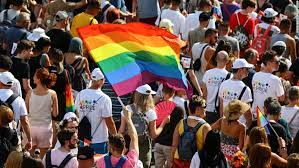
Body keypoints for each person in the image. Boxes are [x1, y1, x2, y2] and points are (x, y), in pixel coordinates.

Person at [118, 84, 169, 168]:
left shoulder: (127, 109)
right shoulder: (151, 112)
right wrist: (164, 123)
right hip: (143, 147)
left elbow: (122, 131)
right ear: (149, 97)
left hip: (128, 144)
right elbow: (153, 135)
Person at [75, 68, 117, 154]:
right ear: (102, 80)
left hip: (83, 137)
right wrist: (116, 139)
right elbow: (109, 122)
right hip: (99, 140)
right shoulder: (105, 98)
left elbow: (76, 114)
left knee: (84, 163)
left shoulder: (80, 94)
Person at [25, 68, 58, 158]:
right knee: (43, 159)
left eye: (34, 76)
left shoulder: (29, 93)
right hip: (45, 129)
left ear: (38, 79)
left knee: (29, 159)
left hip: (31, 129)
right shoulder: (53, 94)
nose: (33, 77)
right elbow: (55, 114)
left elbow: (26, 111)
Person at [171, 95, 211, 168]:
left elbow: (174, 145)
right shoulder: (206, 127)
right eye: (204, 106)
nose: (205, 109)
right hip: (196, 163)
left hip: (178, 160)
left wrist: (171, 161)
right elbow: (209, 149)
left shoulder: (181, 123)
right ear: (198, 109)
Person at [96, 103, 139, 168]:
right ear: (124, 147)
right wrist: (128, 118)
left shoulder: (101, 162)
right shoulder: (131, 161)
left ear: (110, 149)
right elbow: (134, 138)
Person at [0, 72, 32, 151]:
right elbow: (25, 121)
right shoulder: (19, 100)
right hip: (13, 138)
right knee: (14, 162)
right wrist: (29, 139)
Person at [154, 85, 184, 168]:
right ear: (174, 92)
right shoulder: (179, 109)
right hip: (171, 145)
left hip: (158, 142)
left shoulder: (156, 106)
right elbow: (179, 129)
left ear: (163, 92)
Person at [218, 59, 253, 125]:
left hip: (226, 124)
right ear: (240, 70)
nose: (248, 71)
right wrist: (249, 126)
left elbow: (221, 106)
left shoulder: (223, 84)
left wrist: (223, 122)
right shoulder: (245, 89)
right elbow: (247, 112)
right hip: (238, 126)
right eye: (246, 69)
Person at [202, 51, 231, 124]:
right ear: (227, 61)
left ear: (216, 60)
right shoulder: (229, 76)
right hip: (220, 111)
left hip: (207, 109)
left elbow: (204, 93)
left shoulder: (208, 73)